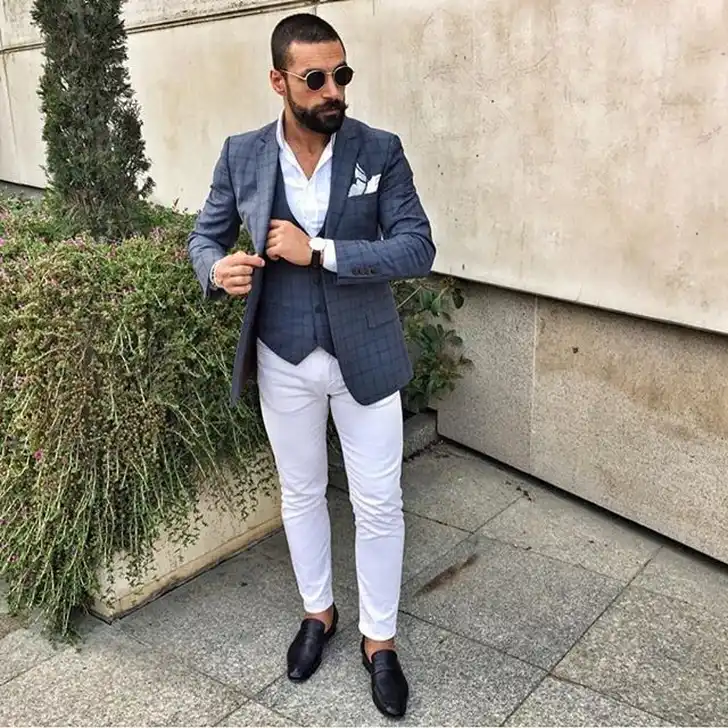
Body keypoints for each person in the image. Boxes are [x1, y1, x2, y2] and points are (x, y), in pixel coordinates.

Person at [187, 12, 435, 719]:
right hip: (283, 354)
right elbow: (203, 238)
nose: (334, 91)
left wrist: (320, 250)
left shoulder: (378, 149)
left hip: (366, 354)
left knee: (378, 501)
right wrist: (217, 271)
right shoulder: (241, 153)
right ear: (279, 81)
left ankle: (379, 640)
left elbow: (418, 246)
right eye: (316, 78)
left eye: (342, 74)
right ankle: (318, 613)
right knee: (300, 493)